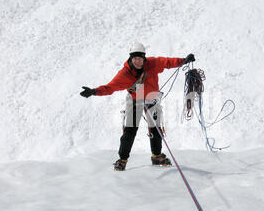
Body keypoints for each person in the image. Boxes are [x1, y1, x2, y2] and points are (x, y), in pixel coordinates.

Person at [80, 42, 195, 171]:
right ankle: (122, 159)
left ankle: (156, 156)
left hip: (152, 96)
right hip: (136, 97)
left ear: (144, 58)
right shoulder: (125, 74)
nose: (137, 61)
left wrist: (183, 61)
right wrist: (94, 91)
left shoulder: (151, 63)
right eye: (134, 58)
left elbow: (166, 62)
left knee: (156, 129)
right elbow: (110, 87)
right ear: (130, 58)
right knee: (130, 130)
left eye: (140, 58)